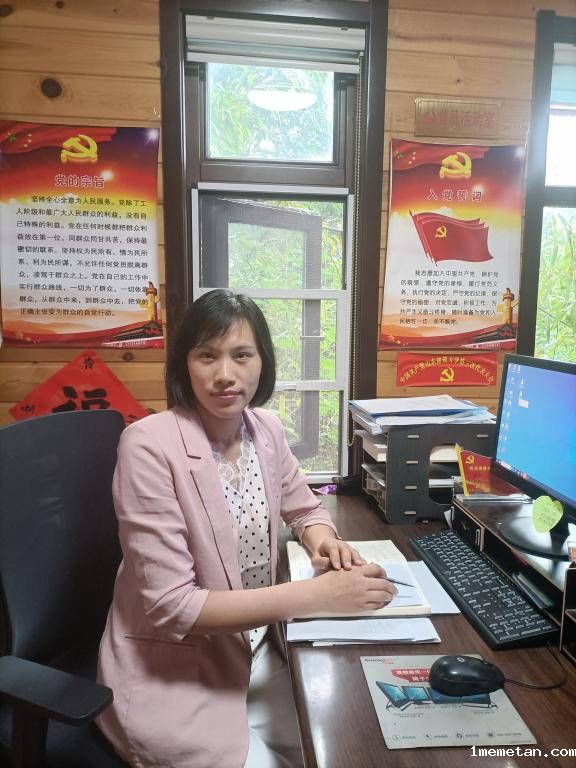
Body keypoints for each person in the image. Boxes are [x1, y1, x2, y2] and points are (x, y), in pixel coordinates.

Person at [97, 289, 396, 768]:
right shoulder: (148, 445)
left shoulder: (265, 429)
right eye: (206, 356)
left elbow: (305, 509)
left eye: (241, 355)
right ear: (184, 365)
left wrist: (326, 543)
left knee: (346, 746)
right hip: (176, 673)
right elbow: (174, 606)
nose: (224, 374)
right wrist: (318, 596)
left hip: (258, 650)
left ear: (263, 363)